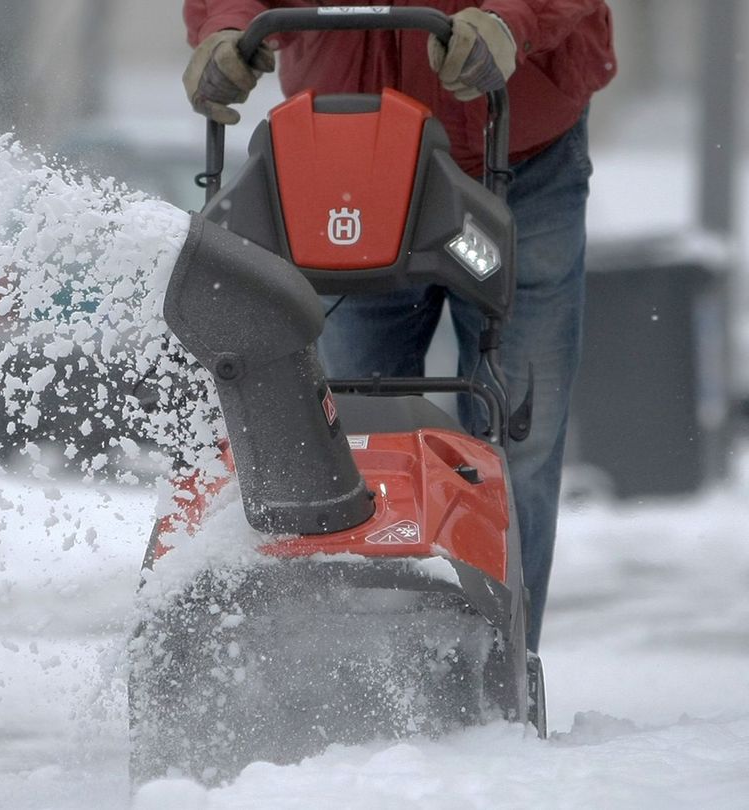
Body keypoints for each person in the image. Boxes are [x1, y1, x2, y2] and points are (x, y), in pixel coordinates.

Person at [181, 0, 615, 652]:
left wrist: (511, 20)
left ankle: (503, 659)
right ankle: (358, 659)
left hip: (520, 154)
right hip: (348, 161)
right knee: (345, 437)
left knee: (517, 442)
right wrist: (226, 25)